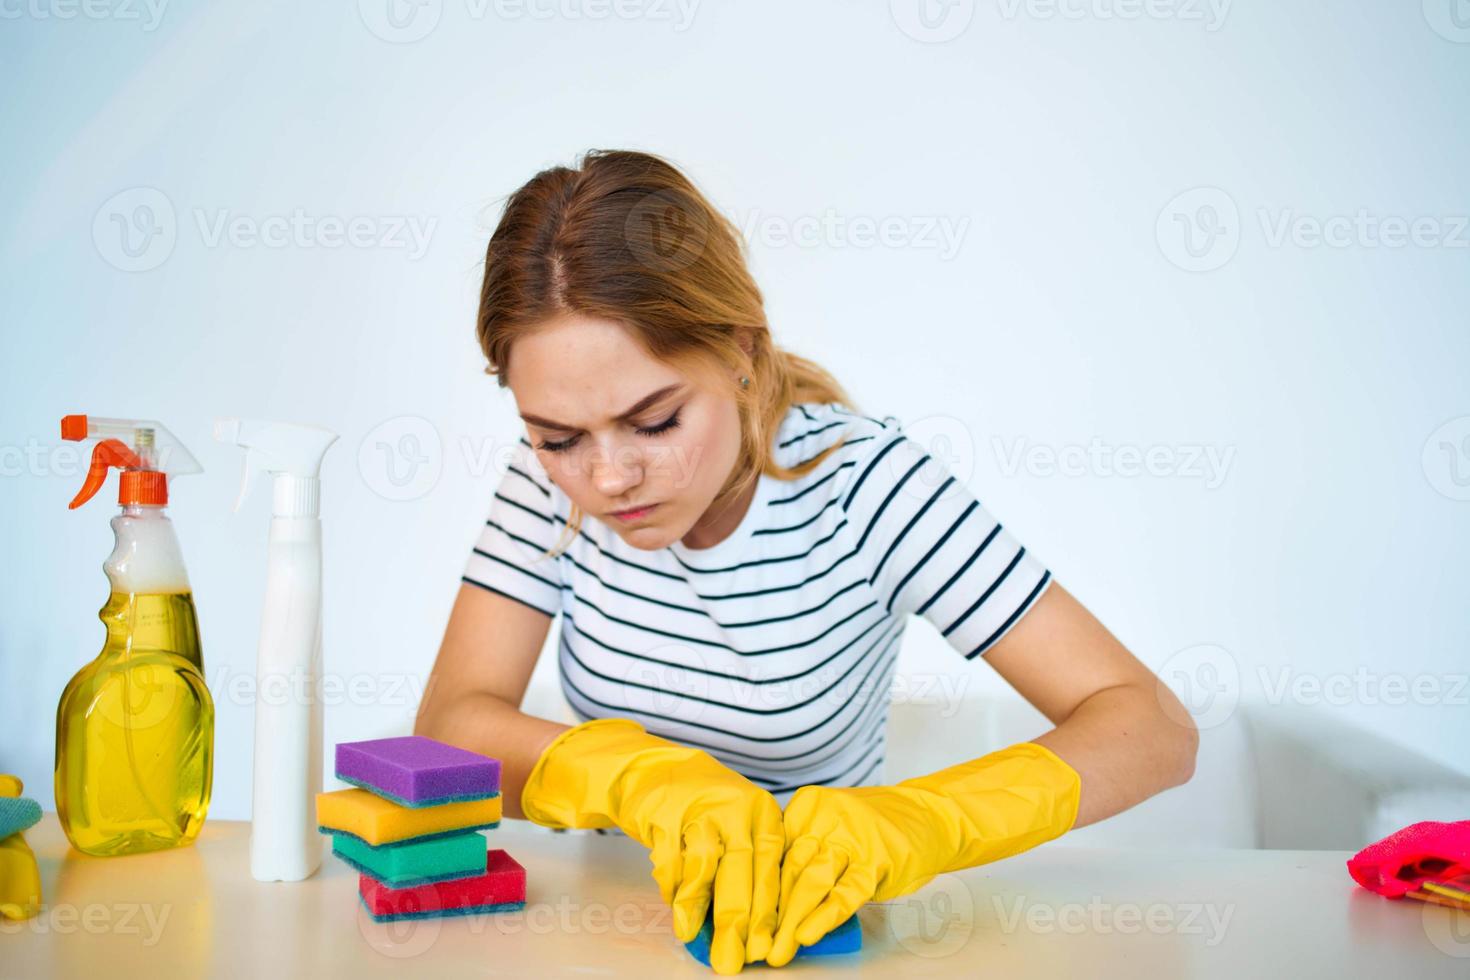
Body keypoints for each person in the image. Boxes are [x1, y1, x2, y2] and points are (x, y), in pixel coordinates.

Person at [415, 149, 1198, 975]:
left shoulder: (867, 487)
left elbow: (1154, 725)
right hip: (615, 922)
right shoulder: (547, 491)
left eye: (655, 422)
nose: (606, 478)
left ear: (742, 353)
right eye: (558, 437)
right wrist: (636, 778)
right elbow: (452, 725)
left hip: (825, 940)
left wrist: (927, 819)